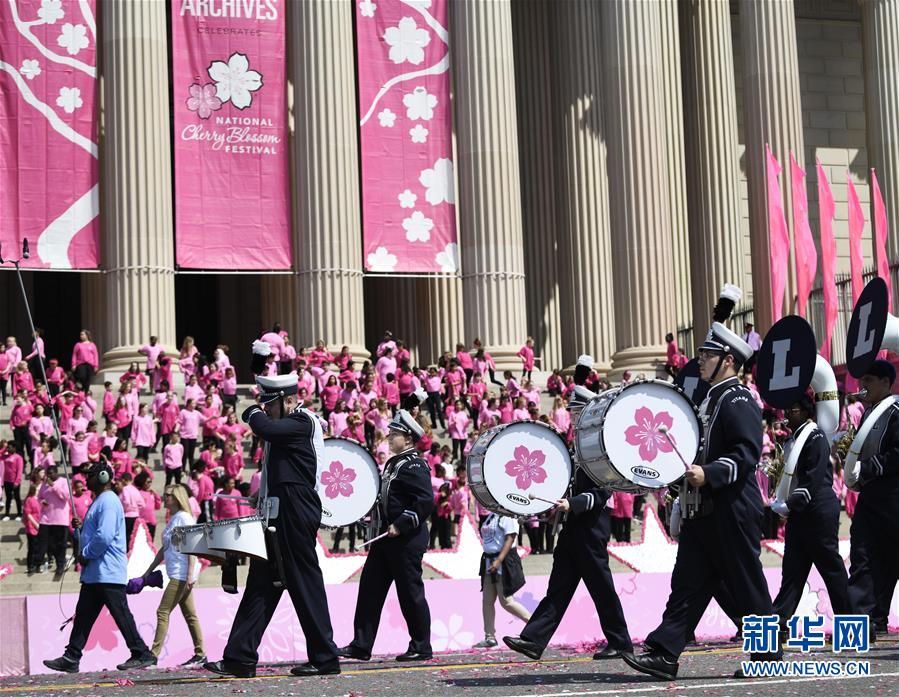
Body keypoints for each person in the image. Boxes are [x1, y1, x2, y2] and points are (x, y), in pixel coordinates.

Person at [623, 316, 779, 681]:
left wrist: (709, 473)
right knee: (687, 584)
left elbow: (746, 452)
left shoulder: (738, 398)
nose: (700, 361)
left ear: (728, 359)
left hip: (732, 508)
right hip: (705, 509)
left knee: (747, 584)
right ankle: (665, 653)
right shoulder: (711, 400)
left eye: (707, 355)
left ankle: (768, 655)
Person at [205, 373, 340, 679]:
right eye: (264, 405)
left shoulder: (302, 421)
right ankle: (239, 657)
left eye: (270, 404)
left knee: (304, 582)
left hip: (295, 509)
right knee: (261, 584)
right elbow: (278, 466)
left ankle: (325, 657)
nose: (265, 409)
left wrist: (253, 411)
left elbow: (265, 428)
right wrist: (262, 494)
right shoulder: (288, 425)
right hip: (279, 510)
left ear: (289, 400)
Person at [504, 467, 633, 662]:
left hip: (592, 531)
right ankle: (534, 640)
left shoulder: (598, 459)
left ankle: (620, 643)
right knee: (558, 590)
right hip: (571, 530)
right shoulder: (573, 460)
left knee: (602, 589)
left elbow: (603, 491)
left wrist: (572, 503)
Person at [339, 408, 435, 662]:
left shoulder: (415, 465)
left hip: (406, 540)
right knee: (369, 589)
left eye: (395, 434)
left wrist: (401, 524)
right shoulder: (394, 463)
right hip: (385, 538)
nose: (390, 438)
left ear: (409, 438)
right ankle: (361, 645)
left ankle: (421, 646)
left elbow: (425, 501)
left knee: (410, 593)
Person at [43, 460, 157, 673]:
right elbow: (94, 533)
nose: (86, 479)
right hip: (96, 573)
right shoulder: (100, 501)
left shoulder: (108, 501)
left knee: (121, 614)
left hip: (107, 571)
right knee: (83, 616)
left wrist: (85, 554)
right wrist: (80, 529)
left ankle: (142, 653)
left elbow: (104, 536)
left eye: (90, 475)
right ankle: (71, 656)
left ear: (103, 477)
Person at [770, 394, 851, 635]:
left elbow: (813, 477)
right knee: (793, 569)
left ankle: (852, 622)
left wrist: (790, 503)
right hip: (801, 510)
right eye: (787, 410)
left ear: (806, 412)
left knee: (830, 567)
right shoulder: (794, 439)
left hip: (817, 508)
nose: (787, 414)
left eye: (793, 410)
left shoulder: (814, 436)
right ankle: (780, 620)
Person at [846, 359, 899, 639]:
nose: (862, 385)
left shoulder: (895, 412)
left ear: (885, 383)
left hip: (893, 495)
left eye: (868, 380)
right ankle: (862, 620)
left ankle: (877, 615)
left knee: (891, 558)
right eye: (862, 379)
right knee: (863, 554)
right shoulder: (868, 413)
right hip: (870, 495)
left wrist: (866, 467)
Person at [143, 484, 206, 665]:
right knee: (190, 615)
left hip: (181, 574)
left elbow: (192, 546)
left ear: (177, 497)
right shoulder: (174, 518)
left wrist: (190, 575)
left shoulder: (184, 518)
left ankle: (153, 656)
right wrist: (148, 571)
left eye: (168, 495)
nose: (165, 498)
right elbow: (165, 549)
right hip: (178, 573)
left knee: (163, 611)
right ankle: (200, 654)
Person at [473, 512, 531, 649]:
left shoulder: (508, 516)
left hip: (502, 562)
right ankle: (489, 637)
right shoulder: (492, 515)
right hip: (488, 560)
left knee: (506, 601)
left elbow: (510, 538)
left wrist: (499, 560)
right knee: (487, 601)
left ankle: (535, 626)